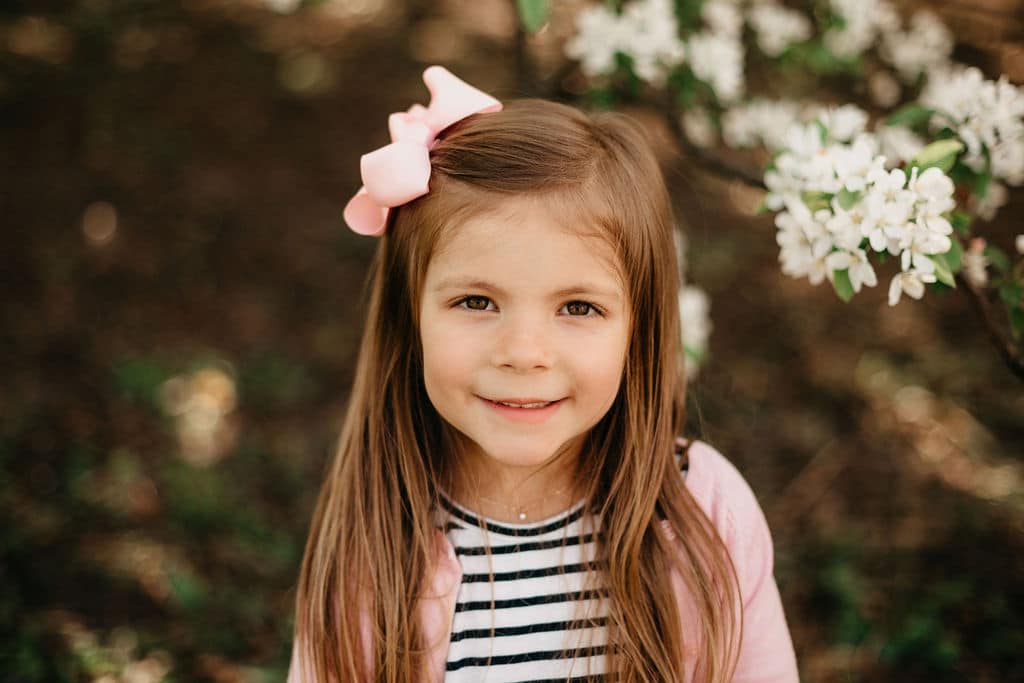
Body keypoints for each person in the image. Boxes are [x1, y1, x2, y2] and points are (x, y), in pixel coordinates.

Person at [288, 65, 798, 682]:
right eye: (476, 302)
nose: (524, 353)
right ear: (409, 317)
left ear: (638, 331)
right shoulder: (373, 543)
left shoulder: (705, 513)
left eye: (578, 308)